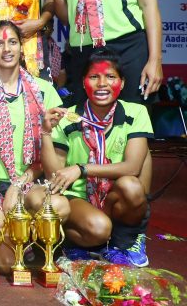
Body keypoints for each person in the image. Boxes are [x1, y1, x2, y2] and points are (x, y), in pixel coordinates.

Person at [0, 20, 63, 274]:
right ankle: (20, 242)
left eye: (12, 42)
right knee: (2, 263)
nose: (7, 49)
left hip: (28, 183)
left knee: (59, 206)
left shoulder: (44, 91)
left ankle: (30, 239)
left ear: (21, 46)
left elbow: (51, 161)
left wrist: (18, 184)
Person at [40, 49, 152, 267]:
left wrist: (81, 168)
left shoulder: (136, 112)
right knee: (99, 229)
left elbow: (132, 167)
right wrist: (45, 132)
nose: (102, 84)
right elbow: (54, 175)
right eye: (94, 76)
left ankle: (127, 242)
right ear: (84, 82)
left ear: (122, 82)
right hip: (78, 197)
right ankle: (75, 243)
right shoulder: (67, 117)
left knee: (132, 184)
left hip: (115, 194)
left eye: (110, 76)